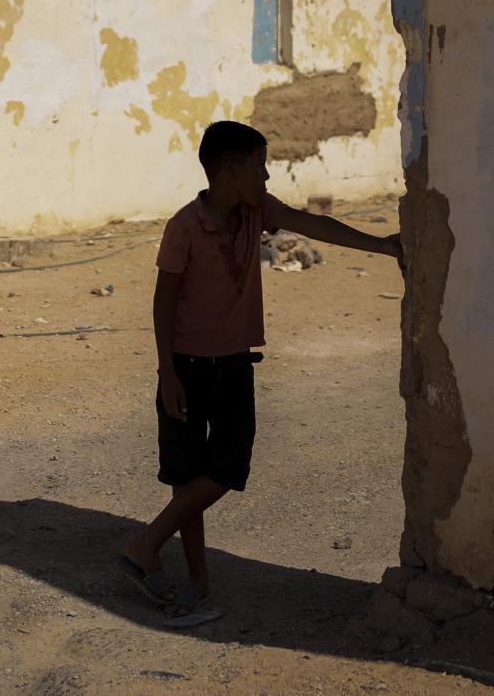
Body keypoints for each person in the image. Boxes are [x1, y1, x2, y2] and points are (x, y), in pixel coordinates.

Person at [117, 120, 403, 623]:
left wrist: (383, 246)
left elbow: (314, 225)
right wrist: (167, 375)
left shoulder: (258, 213)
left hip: (232, 365)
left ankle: (150, 548)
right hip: (185, 367)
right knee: (192, 477)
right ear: (230, 172)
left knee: (224, 467)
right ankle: (182, 570)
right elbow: (163, 302)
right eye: (258, 166)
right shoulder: (184, 226)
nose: (266, 176)